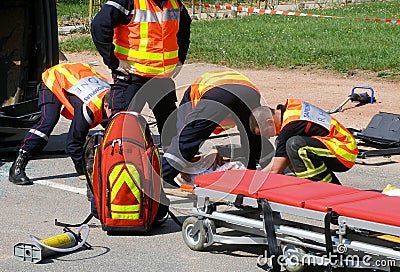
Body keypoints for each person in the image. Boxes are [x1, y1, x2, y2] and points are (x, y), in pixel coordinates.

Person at [91, 0, 191, 147]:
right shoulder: (128, 2)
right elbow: (99, 26)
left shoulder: (174, 3)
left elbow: (184, 27)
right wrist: (114, 62)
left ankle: (171, 163)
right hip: (132, 77)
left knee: (170, 129)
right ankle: (120, 164)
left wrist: (180, 59)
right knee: (123, 128)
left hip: (161, 77)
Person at [162, 70, 273, 186]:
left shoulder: (189, 102)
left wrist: (178, 167)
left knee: (187, 139)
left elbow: (184, 138)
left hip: (218, 93)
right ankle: (267, 166)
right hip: (249, 92)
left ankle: (163, 176)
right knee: (251, 133)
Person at [9, 63, 111, 185]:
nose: (115, 113)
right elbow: (73, 144)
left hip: (77, 72)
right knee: (48, 121)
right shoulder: (89, 109)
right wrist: (83, 171)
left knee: (112, 126)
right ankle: (17, 166)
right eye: (112, 110)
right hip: (54, 78)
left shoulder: (114, 98)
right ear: (105, 106)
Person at [250, 99, 358, 184]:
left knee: (295, 145)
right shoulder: (289, 110)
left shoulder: (290, 127)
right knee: (286, 146)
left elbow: (275, 169)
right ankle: (328, 184)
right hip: (340, 144)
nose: (267, 137)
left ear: (269, 122)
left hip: (344, 152)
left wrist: (252, 180)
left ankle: (318, 187)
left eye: (264, 133)